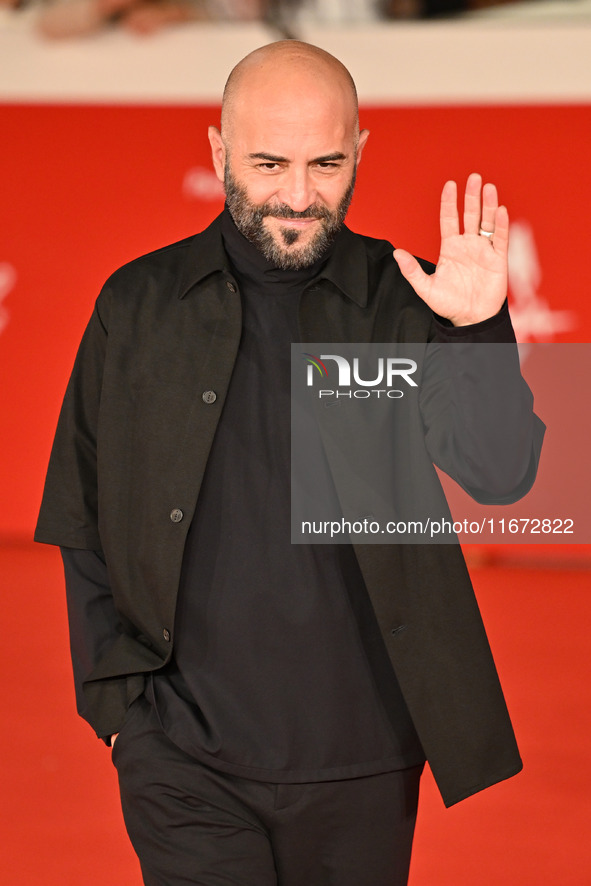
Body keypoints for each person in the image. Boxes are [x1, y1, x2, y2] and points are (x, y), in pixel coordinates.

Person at [35, 40, 544, 886]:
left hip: (365, 757)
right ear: (217, 151)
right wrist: (119, 711)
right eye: (268, 163)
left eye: (326, 164)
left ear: (361, 152)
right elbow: (81, 511)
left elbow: (502, 473)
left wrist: (475, 328)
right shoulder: (136, 303)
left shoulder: (401, 296)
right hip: (183, 754)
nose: (298, 196)